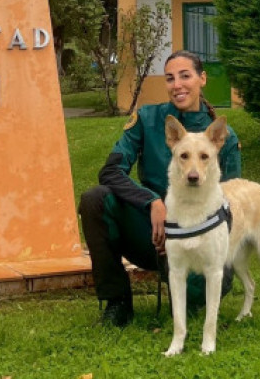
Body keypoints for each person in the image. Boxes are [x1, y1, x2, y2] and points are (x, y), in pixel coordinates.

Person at [78, 50, 242, 327]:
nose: (177, 84)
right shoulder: (148, 119)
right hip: (150, 233)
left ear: (202, 79)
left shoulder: (221, 138)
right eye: (170, 78)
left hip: (198, 239)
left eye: (185, 76)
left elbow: (231, 204)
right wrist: (152, 202)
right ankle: (117, 302)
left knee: (194, 299)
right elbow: (111, 171)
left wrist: (188, 231)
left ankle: (188, 297)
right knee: (94, 199)